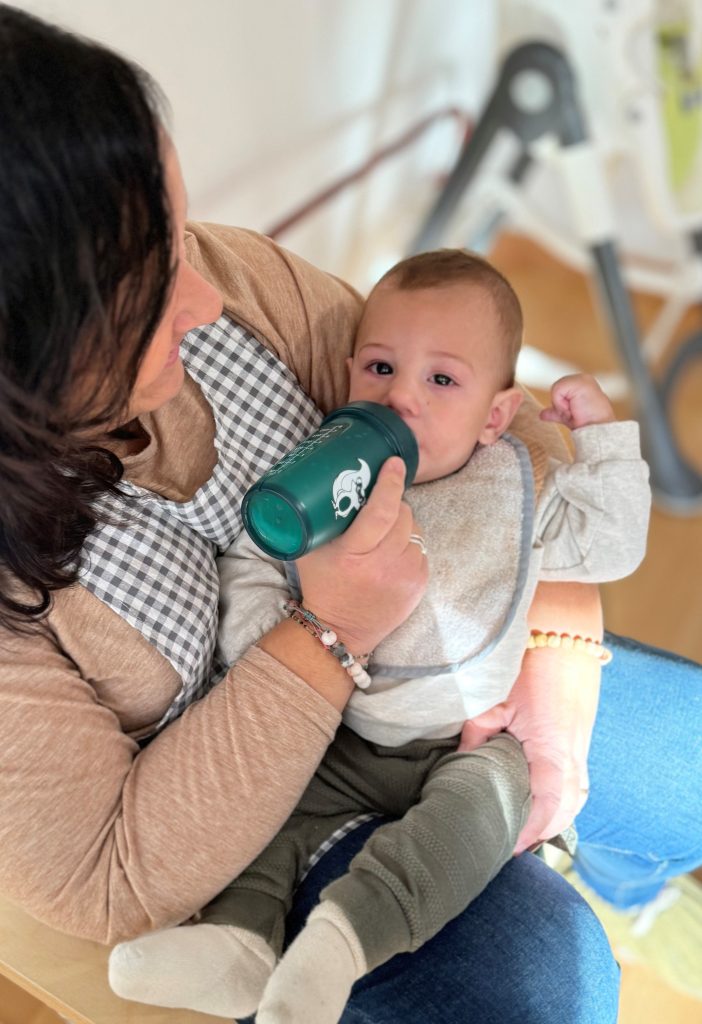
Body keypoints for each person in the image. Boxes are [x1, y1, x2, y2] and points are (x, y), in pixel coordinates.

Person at [0, 7, 698, 1024]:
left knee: (684, 764)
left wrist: (557, 676)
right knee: (554, 979)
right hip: (255, 815)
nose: (205, 297)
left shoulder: (234, 292)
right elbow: (106, 874)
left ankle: (627, 886)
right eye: (149, 288)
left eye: (179, 230)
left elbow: (497, 428)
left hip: (454, 688)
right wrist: (327, 634)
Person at [108, 249, 650, 1023]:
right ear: (348, 377)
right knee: (271, 819)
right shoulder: (329, 483)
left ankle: (344, 941)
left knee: (485, 809)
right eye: (381, 368)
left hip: (465, 741)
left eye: (442, 380)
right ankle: (234, 948)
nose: (401, 397)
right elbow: (254, 563)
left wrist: (601, 438)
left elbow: (611, 545)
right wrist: (269, 646)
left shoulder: (514, 488)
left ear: (495, 417)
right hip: (341, 735)